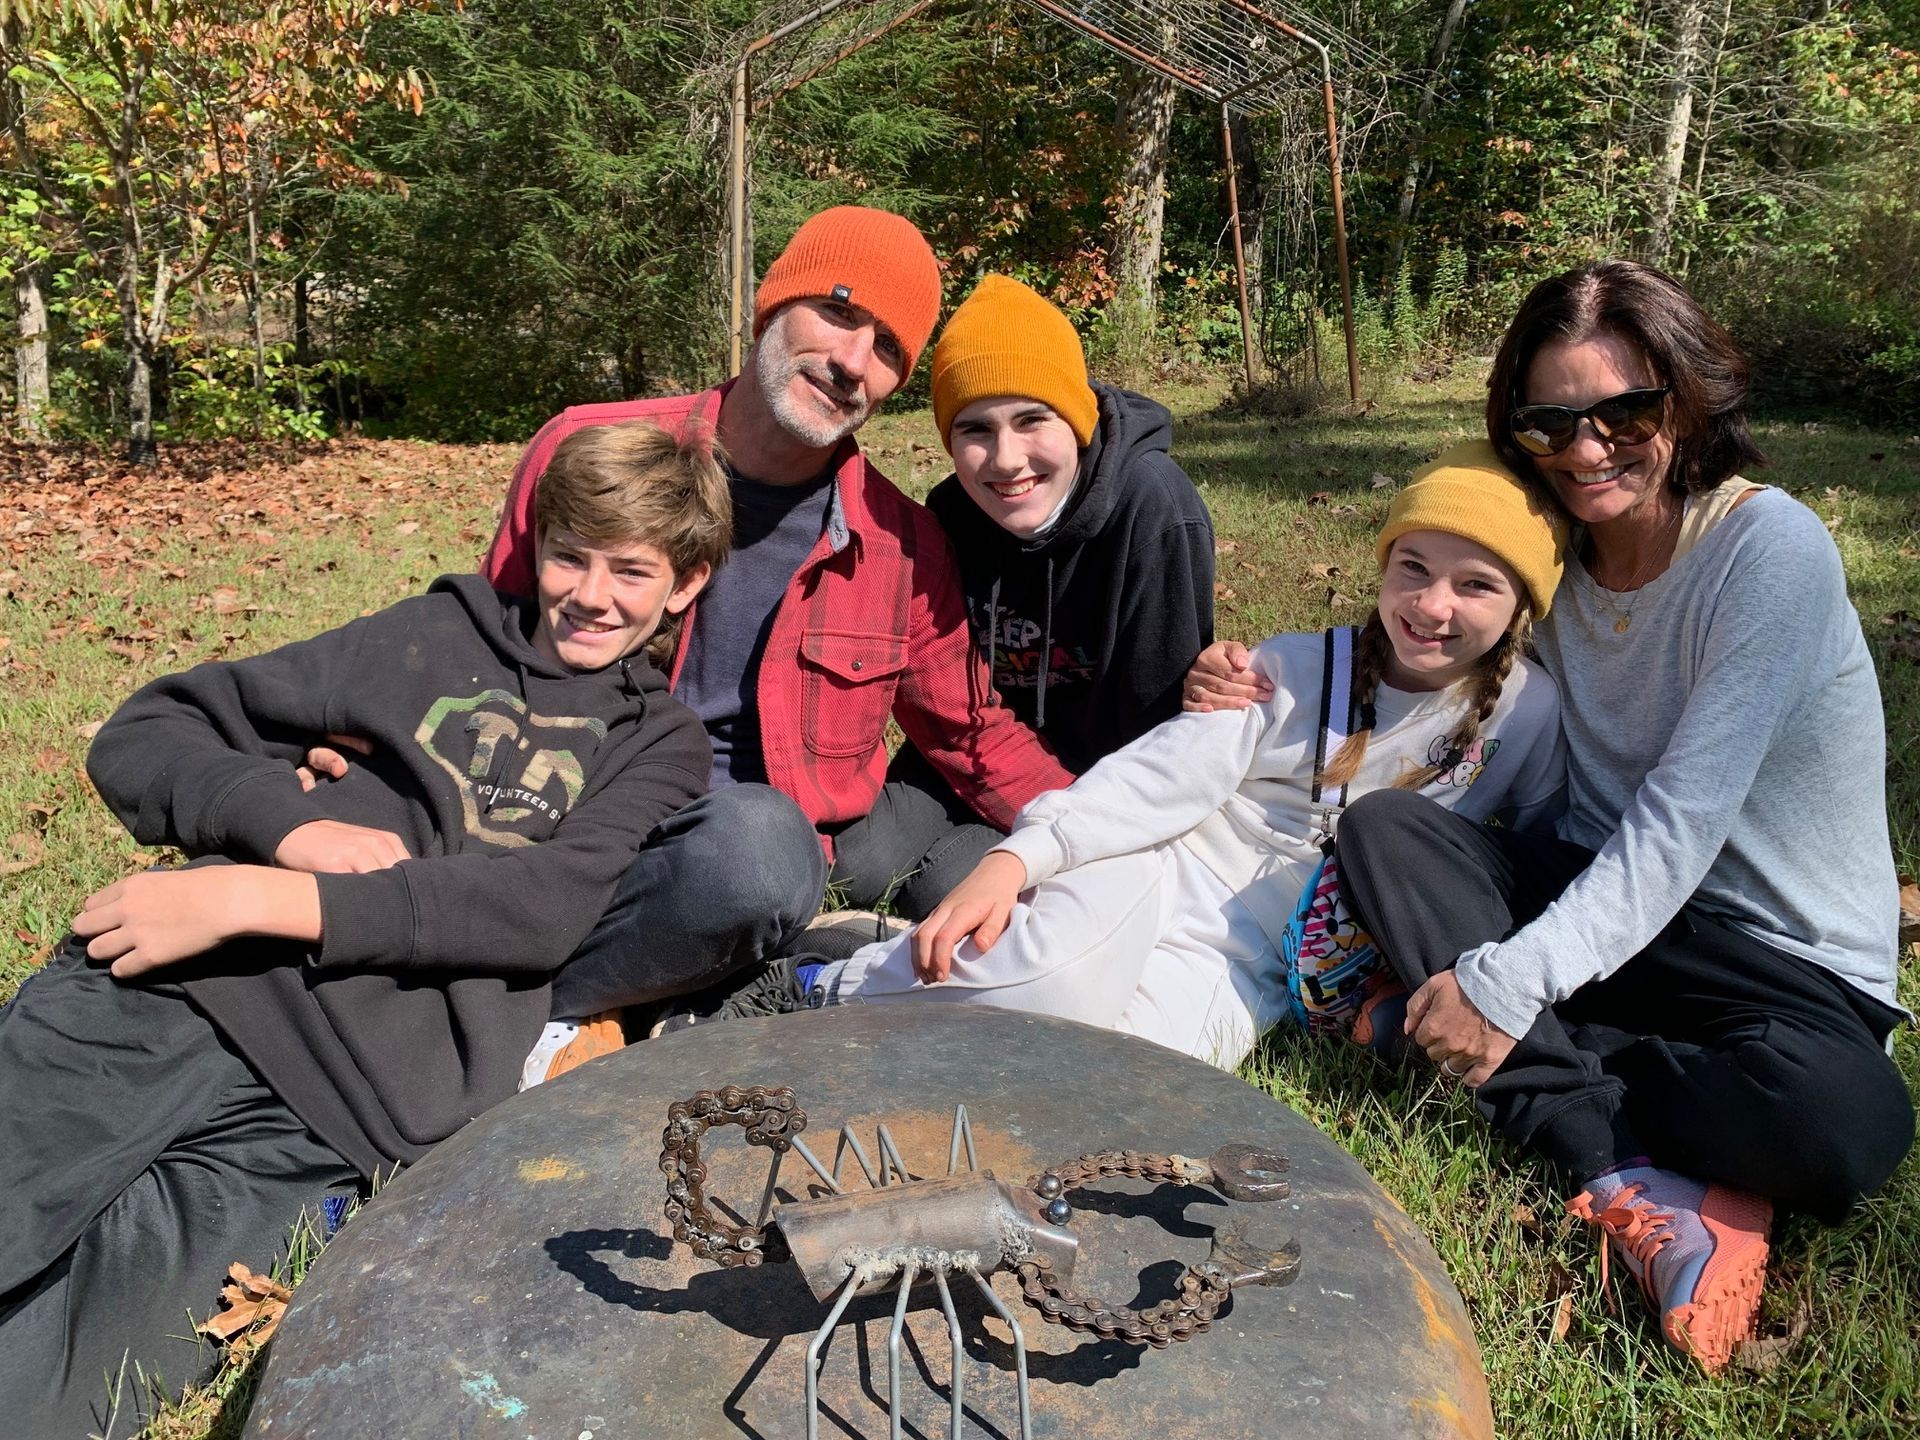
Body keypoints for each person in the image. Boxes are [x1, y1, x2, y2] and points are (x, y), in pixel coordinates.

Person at [1190, 260, 1915, 1372]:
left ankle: (1477, 1045)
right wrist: (1261, 678)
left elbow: (1681, 823)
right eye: (1550, 421)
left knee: (1841, 1130)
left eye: (1623, 413)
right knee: (1388, 829)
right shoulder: (1555, 553)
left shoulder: (1768, 552)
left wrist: (1503, 981)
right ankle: (1617, 1164)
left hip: (1779, 966)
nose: (1585, 452)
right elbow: (1423, 632)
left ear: (1686, 396)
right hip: (1597, 908)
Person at [0, 420, 724, 1436]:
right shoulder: (428, 638)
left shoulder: (657, 742)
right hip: (186, 991)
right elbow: (149, 729)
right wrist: (282, 822)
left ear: (683, 585)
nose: (591, 594)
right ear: (538, 542)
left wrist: (270, 896)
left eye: (631, 572)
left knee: (52, 1399)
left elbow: (543, 907)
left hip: (332, 1118)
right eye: (571, 555)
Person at [785, 441, 1566, 1071]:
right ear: (1384, 567)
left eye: (1476, 586)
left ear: (1523, 605)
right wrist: (1019, 859)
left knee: (1116, 1075)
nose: (1433, 606)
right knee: (1056, 984)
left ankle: (901, 957)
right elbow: (1155, 780)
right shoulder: (1292, 670)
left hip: (1251, 965)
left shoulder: (1527, 715)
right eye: (1414, 569)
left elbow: (1520, 861)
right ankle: (822, 983)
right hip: (1154, 871)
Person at [478, 208, 1074, 1022]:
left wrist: (1116, 831)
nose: (852, 360)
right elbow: (481, 648)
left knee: (974, 861)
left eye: (890, 348)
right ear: (771, 305)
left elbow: (973, 735)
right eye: (836, 310)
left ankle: (710, 985)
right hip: (599, 831)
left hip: (785, 856)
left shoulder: (900, 544)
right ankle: (518, 1011)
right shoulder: (591, 451)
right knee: (759, 851)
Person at [830, 273, 1216, 919]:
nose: (1006, 460)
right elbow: (949, 693)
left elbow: (1157, 727)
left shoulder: (1155, 511)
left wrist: (1071, 832)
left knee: (941, 890)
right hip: (981, 750)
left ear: (1078, 418)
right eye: (975, 430)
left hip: (1095, 780)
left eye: (1032, 420)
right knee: (861, 866)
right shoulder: (951, 511)